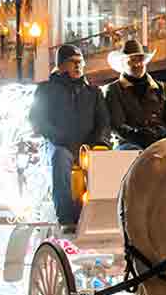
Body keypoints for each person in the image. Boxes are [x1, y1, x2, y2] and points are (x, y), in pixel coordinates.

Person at [30, 44, 111, 227]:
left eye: (80, 62)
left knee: (105, 159)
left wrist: (98, 142)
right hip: (59, 145)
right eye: (72, 62)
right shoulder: (45, 90)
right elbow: (38, 119)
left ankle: (103, 214)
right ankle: (66, 218)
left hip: (88, 147)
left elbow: (104, 122)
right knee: (60, 157)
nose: (78, 65)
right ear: (61, 65)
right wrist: (59, 138)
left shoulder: (93, 93)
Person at [105, 39, 166, 149]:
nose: (137, 64)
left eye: (140, 60)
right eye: (132, 60)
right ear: (122, 63)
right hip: (129, 145)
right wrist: (141, 137)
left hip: (161, 142)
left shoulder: (161, 87)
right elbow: (118, 126)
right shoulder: (113, 90)